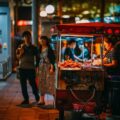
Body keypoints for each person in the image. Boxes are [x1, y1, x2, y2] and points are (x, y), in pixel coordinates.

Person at [16, 31, 40, 105]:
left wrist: (36, 66)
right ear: (23, 38)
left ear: (30, 37)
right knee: (23, 85)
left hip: (31, 69)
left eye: (28, 37)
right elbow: (18, 57)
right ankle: (26, 99)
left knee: (33, 84)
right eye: (25, 37)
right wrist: (21, 53)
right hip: (22, 68)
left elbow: (38, 57)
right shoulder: (20, 46)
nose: (27, 38)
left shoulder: (34, 47)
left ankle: (37, 97)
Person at [38, 36, 56, 105]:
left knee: (50, 83)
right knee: (41, 83)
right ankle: (42, 100)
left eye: (43, 40)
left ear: (46, 41)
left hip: (48, 67)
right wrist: (37, 68)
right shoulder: (39, 49)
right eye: (41, 40)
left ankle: (55, 100)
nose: (42, 41)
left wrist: (52, 68)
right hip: (41, 68)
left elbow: (52, 59)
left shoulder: (49, 49)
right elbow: (37, 59)